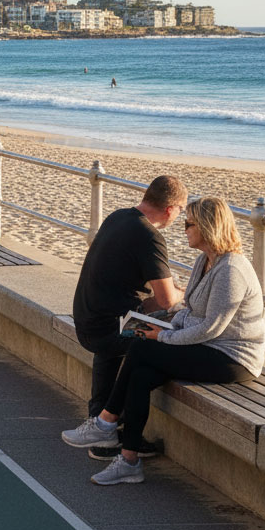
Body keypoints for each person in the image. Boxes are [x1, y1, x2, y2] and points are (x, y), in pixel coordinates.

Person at [62, 197, 265, 485]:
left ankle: (105, 422)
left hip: (232, 357)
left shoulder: (231, 270)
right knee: (142, 373)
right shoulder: (204, 261)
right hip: (206, 345)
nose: (184, 229)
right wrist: (159, 321)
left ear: (208, 227)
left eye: (189, 224)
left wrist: (164, 335)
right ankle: (129, 460)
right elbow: (190, 312)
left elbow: (211, 328)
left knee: (142, 348)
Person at [71, 175, 186, 426]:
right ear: (169, 209)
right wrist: (185, 294)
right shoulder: (149, 236)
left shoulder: (118, 217)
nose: (180, 217)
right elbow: (166, 300)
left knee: (130, 329)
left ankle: (99, 422)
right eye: (181, 211)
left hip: (87, 319)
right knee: (173, 338)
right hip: (113, 329)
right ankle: (121, 430)